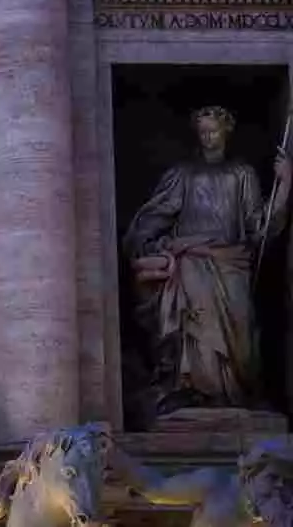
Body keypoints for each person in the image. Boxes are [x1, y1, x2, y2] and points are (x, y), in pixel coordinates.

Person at [123, 105, 289, 416]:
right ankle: (193, 389)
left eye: (213, 131)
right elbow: (151, 218)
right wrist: (155, 245)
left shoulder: (243, 175)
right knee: (193, 326)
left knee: (242, 333)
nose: (208, 137)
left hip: (232, 264)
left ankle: (236, 395)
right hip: (192, 263)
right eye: (202, 133)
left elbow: (260, 228)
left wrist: (285, 185)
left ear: (227, 132)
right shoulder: (182, 176)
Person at [111, 438, 293, 526]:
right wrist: (110, 454)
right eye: (273, 479)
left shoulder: (275, 513)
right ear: (251, 472)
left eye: (285, 487)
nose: (277, 490)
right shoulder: (216, 485)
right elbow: (155, 488)